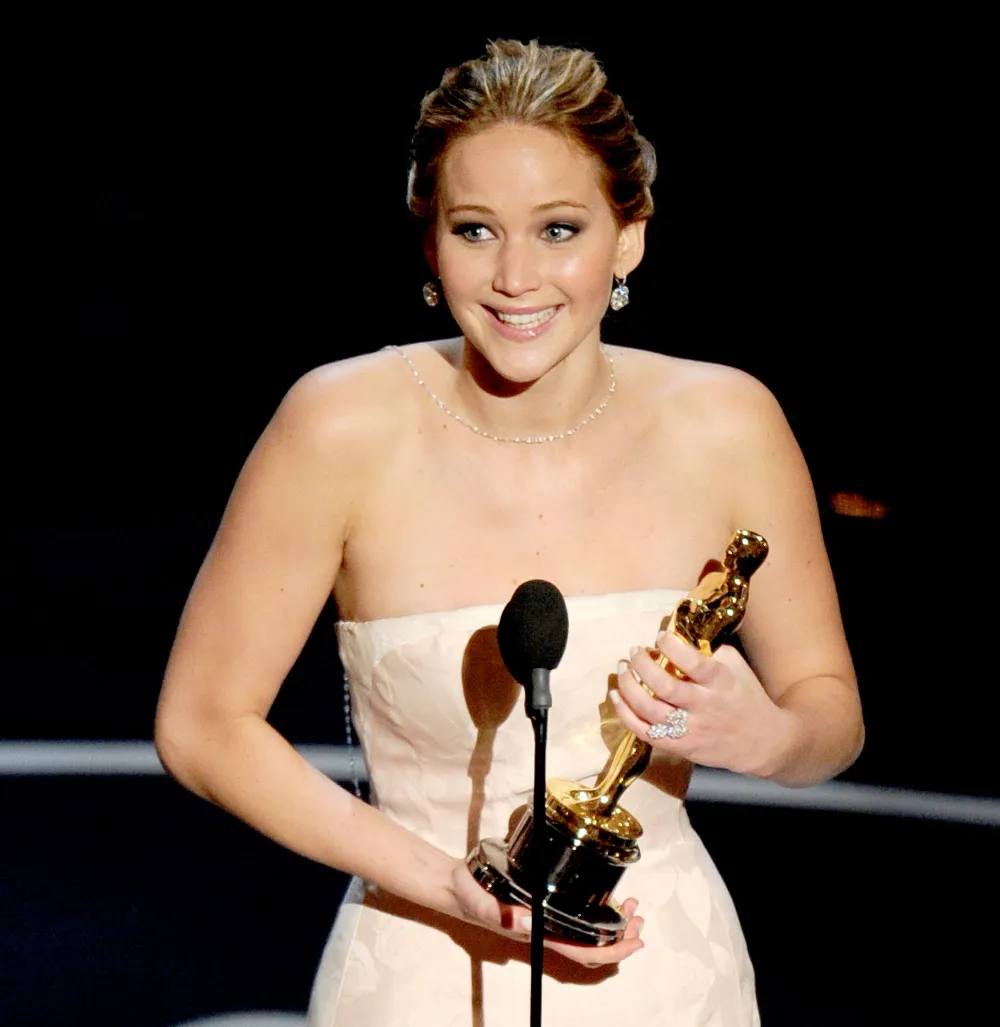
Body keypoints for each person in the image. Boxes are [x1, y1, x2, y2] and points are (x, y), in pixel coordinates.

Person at [154, 38, 863, 1026]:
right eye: (476, 229)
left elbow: (831, 719)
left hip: (664, 977)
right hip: (415, 968)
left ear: (630, 236)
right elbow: (201, 726)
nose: (516, 277)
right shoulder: (337, 425)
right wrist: (444, 883)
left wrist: (769, 734)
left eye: (560, 228)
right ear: (429, 241)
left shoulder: (727, 423)